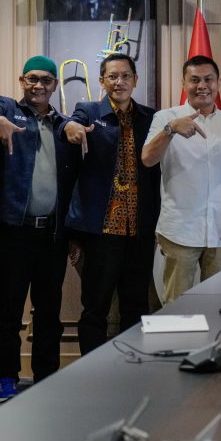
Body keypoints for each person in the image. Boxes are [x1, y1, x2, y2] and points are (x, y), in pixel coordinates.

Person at [0, 56, 76, 401]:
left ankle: (46, 377)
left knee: (49, 312)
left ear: (55, 85)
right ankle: (6, 378)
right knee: (8, 311)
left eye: (46, 80)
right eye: (32, 79)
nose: (39, 85)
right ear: (22, 80)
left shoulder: (63, 125)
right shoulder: (8, 108)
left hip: (52, 235)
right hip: (14, 233)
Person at [61, 54, 160, 354]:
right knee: (95, 307)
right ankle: (93, 370)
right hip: (101, 231)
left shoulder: (150, 118)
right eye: (113, 76)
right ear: (102, 81)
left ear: (135, 80)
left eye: (126, 76)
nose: (119, 82)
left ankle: (131, 367)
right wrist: (71, 127)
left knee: (136, 306)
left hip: (139, 231)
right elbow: (71, 124)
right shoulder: (89, 112)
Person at [143, 56, 221, 302]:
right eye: (195, 80)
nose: (202, 86)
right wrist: (170, 130)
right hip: (179, 231)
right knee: (177, 307)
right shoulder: (165, 118)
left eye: (208, 79)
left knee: (220, 305)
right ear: (184, 83)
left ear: (218, 83)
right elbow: (147, 159)